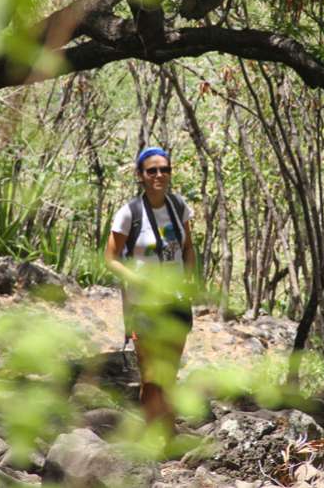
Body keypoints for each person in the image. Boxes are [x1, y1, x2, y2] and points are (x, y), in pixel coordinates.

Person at [104, 146, 196, 436]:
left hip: (176, 303)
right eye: (152, 170)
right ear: (140, 176)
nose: (159, 175)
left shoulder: (179, 207)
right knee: (151, 376)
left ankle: (167, 435)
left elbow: (188, 248)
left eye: (164, 169)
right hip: (143, 306)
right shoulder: (129, 213)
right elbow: (111, 258)